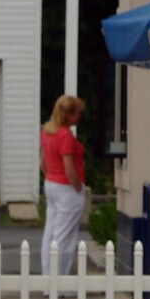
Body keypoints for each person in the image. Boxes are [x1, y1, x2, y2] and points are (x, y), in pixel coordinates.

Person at [39, 95, 87, 286]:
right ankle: (60, 284)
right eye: (77, 113)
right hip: (67, 189)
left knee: (50, 233)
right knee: (64, 239)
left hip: (51, 184)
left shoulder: (47, 132)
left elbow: (42, 163)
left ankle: (47, 281)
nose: (80, 116)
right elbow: (69, 168)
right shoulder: (65, 135)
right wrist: (78, 186)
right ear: (69, 115)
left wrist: (51, 175)